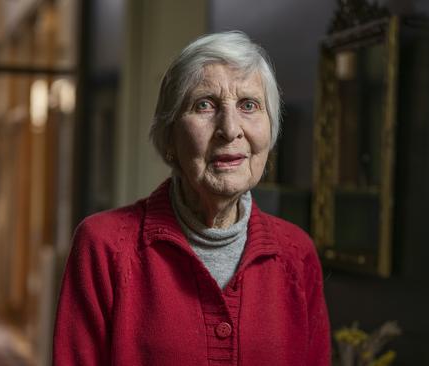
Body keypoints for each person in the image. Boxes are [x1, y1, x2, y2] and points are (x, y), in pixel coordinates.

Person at [53, 31, 330, 365]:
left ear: (270, 132)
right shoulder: (104, 246)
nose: (230, 129)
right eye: (204, 105)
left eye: (249, 105)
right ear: (169, 137)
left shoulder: (297, 254)